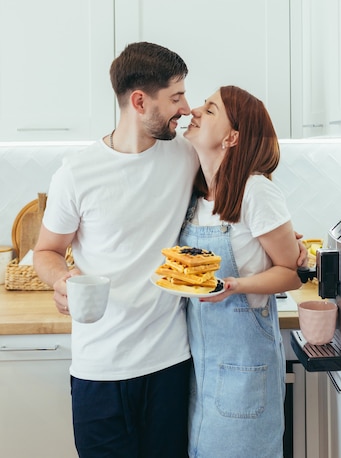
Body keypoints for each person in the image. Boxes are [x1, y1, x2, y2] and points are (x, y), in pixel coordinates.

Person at [33, 42, 200, 458]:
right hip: (98, 370)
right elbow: (46, 251)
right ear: (140, 101)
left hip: (169, 364)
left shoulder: (186, 155)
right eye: (176, 97)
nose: (186, 107)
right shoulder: (77, 174)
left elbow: (243, 177)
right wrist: (61, 278)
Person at [178, 85, 302, 458]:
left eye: (210, 109)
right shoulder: (196, 196)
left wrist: (234, 285)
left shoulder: (256, 191)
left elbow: (291, 272)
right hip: (202, 370)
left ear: (232, 137)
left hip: (245, 372)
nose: (195, 111)